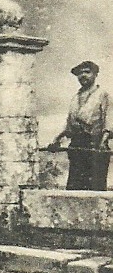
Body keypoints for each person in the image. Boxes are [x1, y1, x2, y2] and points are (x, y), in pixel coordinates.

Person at [48, 61, 111, 190]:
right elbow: (69, 124)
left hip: (95, 146)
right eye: (80, 73)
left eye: (87, 72)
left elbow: (109, 121)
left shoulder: (103, 95)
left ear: (95, 74)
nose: (83, 76)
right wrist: (57, 139)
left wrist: (103, 142)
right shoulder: (75, 98)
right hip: (76, 146)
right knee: (75, 186)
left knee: (95, 188)